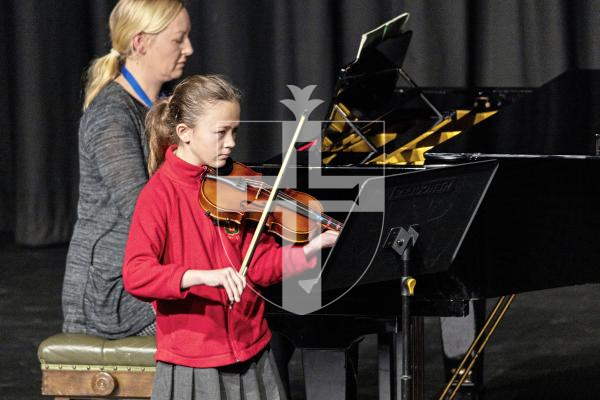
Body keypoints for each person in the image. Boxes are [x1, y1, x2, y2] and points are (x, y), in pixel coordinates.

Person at [122, 75, 339, 399]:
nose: (231, 143)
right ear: (185, 133)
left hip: (252, 348)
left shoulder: (239, 184)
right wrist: (201, 278)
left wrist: (308, 251)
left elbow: (259, 264)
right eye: (220, 133)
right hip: (194, 358)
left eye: (234, 131)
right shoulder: (159, 194)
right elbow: (136, 274)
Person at [62, 0, 193, 339]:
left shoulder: (166, 106)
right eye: (178, 40)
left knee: (255, 300)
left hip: (151, 272)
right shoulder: (112, 115)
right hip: (114, 290)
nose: (188, 49)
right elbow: (143, 211)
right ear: (140, 43)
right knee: (219, 314)